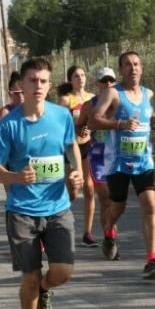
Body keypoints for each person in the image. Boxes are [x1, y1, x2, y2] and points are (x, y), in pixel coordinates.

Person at [0, 58, 83, 309]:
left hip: (57, 206)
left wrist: (76, 171)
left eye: (44, 81)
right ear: (22, 85)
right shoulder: (8, 125)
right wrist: (16, 177)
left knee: (63, 271)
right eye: (33, 81)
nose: (38, 86)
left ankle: (45, 289)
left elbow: (71, 147)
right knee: (29, 275)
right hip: (22, 209)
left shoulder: (61, 116)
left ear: (49, 84)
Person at [89, 51, 155, 280]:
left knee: (150, 205)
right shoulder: (113, 93)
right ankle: (109, 230)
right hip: (117, 164)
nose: (132, 68)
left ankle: (152, 259)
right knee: (118, 208)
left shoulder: (147, 93)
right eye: (127, 65)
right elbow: (93, 120)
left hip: (143, 161)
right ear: (121, 69)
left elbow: (149, 114)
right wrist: (119, 124)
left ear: (141, 68)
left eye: (136, 64)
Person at [76, 67, 117, 252]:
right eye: (104, 81)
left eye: (111, 81)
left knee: (116, 202)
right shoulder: (89, 105)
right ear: (98, 84)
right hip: (98, 158)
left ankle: (109, 233)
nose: (108, 84)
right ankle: (110, 239)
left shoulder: (122, 103)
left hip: (119, 158)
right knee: (106, 200)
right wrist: (82, 130)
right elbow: (79, 127)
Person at [58, 66, 98, 247]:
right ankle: (57, 220)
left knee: (89, 188)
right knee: (73, 192)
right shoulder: (66, 100)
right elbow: (60, 125)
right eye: (76, 76)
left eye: (82, 75)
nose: (80, 78)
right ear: (70, 80)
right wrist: (76, 127)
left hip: (88, 146)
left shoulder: (92, 98)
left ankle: (88, 233)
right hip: (70, 148)